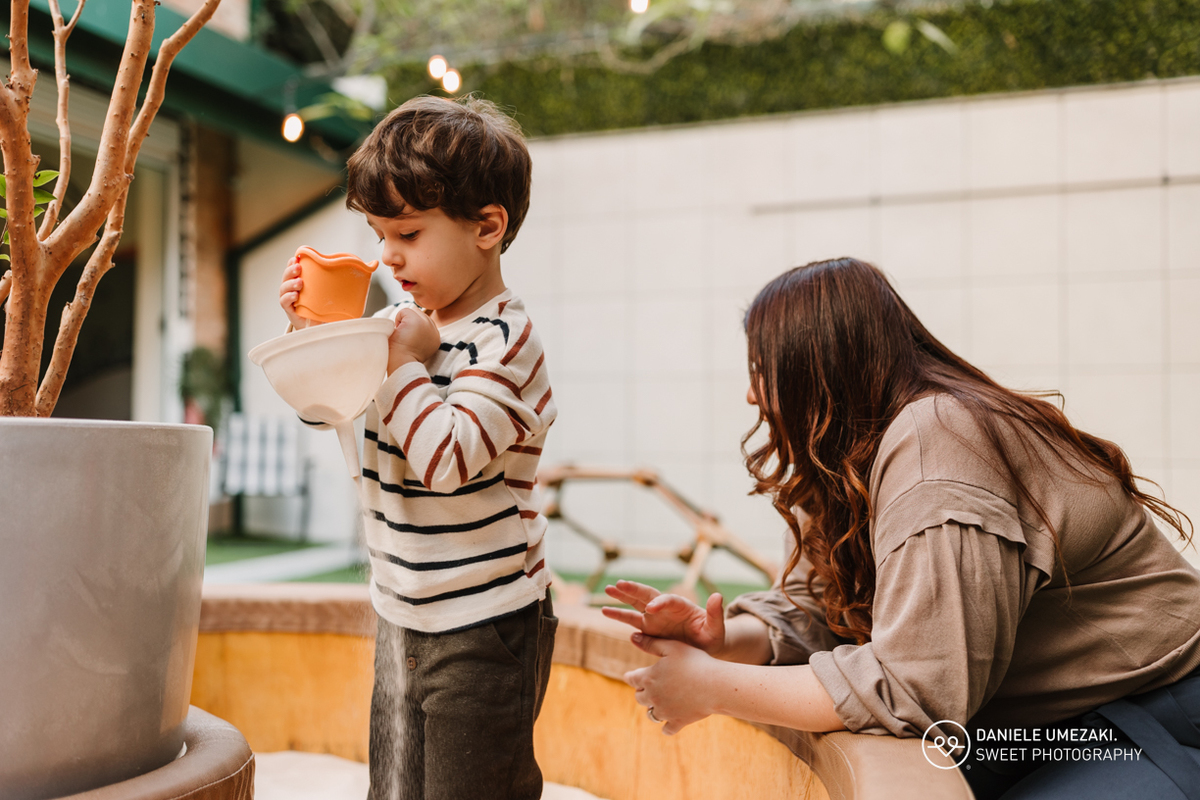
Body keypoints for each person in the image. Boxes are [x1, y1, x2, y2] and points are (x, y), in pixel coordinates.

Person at [604, 257, 1200, 799]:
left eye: (763, 369)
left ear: (817, 366)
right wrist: (724, 641)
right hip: (1033, 724)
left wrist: (711, 687)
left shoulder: (938, 440)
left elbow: (916, 691)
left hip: (1154, 708)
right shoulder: (853, 459)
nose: (752, 394)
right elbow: (825, 607)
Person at [278, 95, 558, 800]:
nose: (386, 257)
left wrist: (402, 364)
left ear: (486, 227)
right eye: (378, 234)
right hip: (401, 606)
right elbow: (325, 412)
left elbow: (446, 461)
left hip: (484, 622)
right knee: (395, 786)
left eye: (406, 233)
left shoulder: (505, 343)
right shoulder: (398, 326)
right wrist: (312, 332)